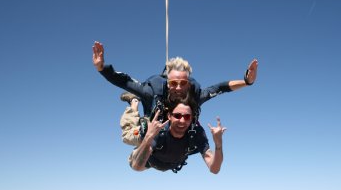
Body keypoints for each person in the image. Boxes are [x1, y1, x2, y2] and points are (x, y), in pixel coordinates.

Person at [92, 41, 257, 145]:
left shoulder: (195, 96)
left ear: (188, 83)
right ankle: (134, 102)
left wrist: (247, 82)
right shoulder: (152, 92)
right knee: (128, 138)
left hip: (172, 138)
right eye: (173, 83)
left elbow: (220, 88)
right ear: (167, 83)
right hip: (151, 128)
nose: (178, 88)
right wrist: (102, 68)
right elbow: (123, 81)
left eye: (183, 83)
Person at [129, 97, 226, 173]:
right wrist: (147, 138)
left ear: (192, 118)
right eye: (177, 116)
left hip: (170, 164)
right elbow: (136, 166)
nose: (182, 121)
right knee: (128, 133)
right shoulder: (159, 131)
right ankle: (134, 102)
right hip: (148, 160)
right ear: (169, 116)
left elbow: (214, 169)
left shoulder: (196, 133)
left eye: (187, 116)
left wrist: (218, 144)